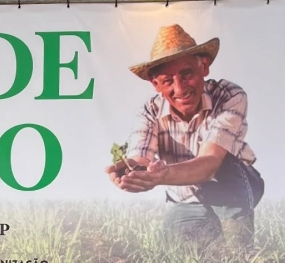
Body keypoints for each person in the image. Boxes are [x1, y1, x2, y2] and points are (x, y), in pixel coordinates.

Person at [106, 24, 264, 250]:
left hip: (238, 187)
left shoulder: (229, 95)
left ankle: (241, 250)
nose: (180, 89)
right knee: (177, 252)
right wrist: (132, 170)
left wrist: (163, 175)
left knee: (225, 166)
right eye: (168, 80)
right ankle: (214, 236)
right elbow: (141, 159)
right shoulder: (149, 112)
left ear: (204, 67)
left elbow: (210, 163)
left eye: (186, 74)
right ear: (155, 84)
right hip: (187, 199)